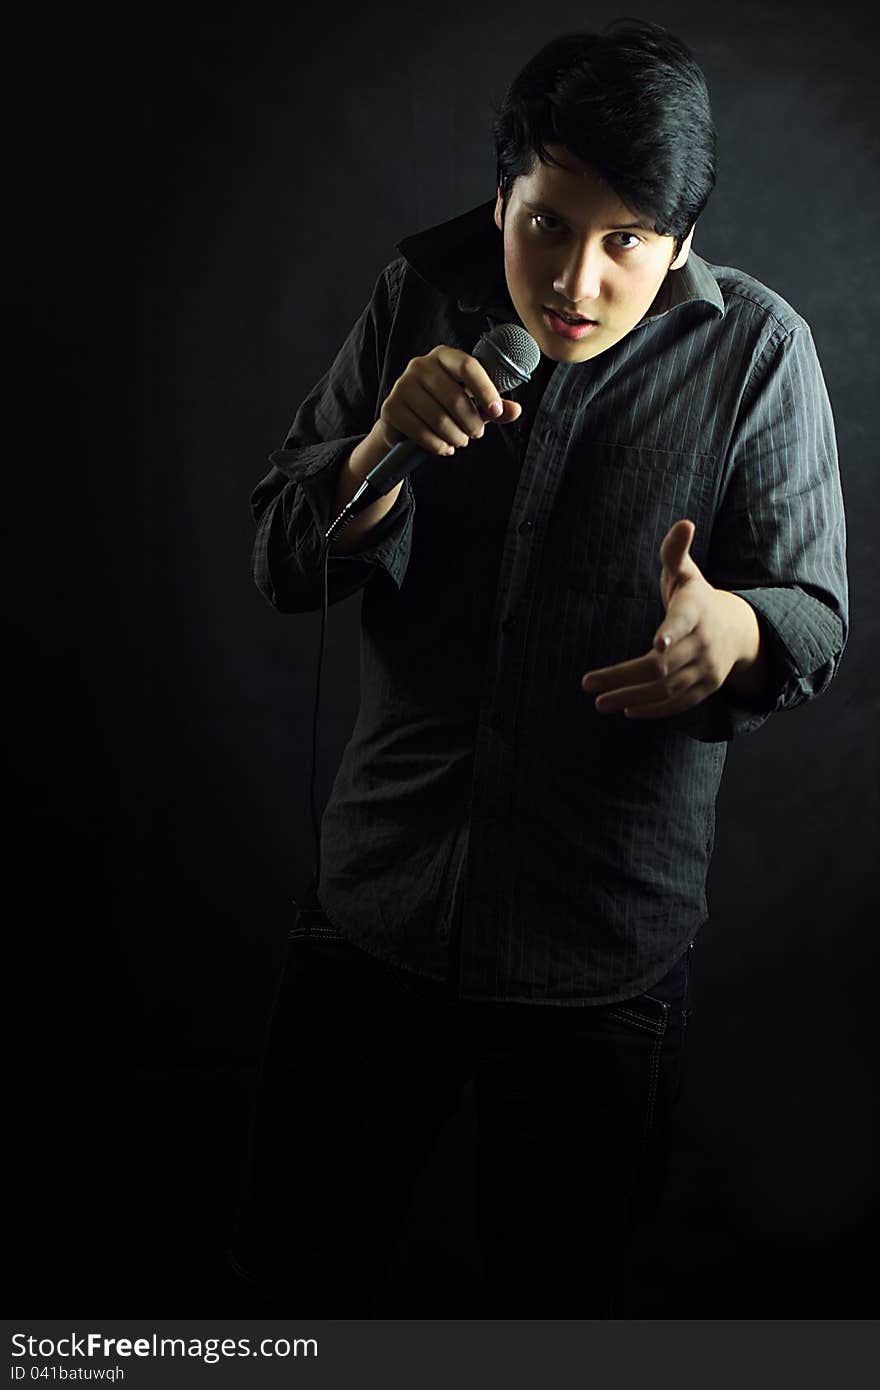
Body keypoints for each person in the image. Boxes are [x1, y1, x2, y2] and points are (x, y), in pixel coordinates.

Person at [230, 19, 848, 1316]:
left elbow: (812, 617)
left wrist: (728, 629)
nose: (577, 278)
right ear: (502, 189)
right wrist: (370, 461)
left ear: (681, 241)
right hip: (372, 919)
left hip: (598, 961)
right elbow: (285, 561)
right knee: (287, 1294)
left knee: (554, 1319)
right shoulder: (416, 296)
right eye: (547, 224)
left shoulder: (759, 354)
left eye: (626, 240)